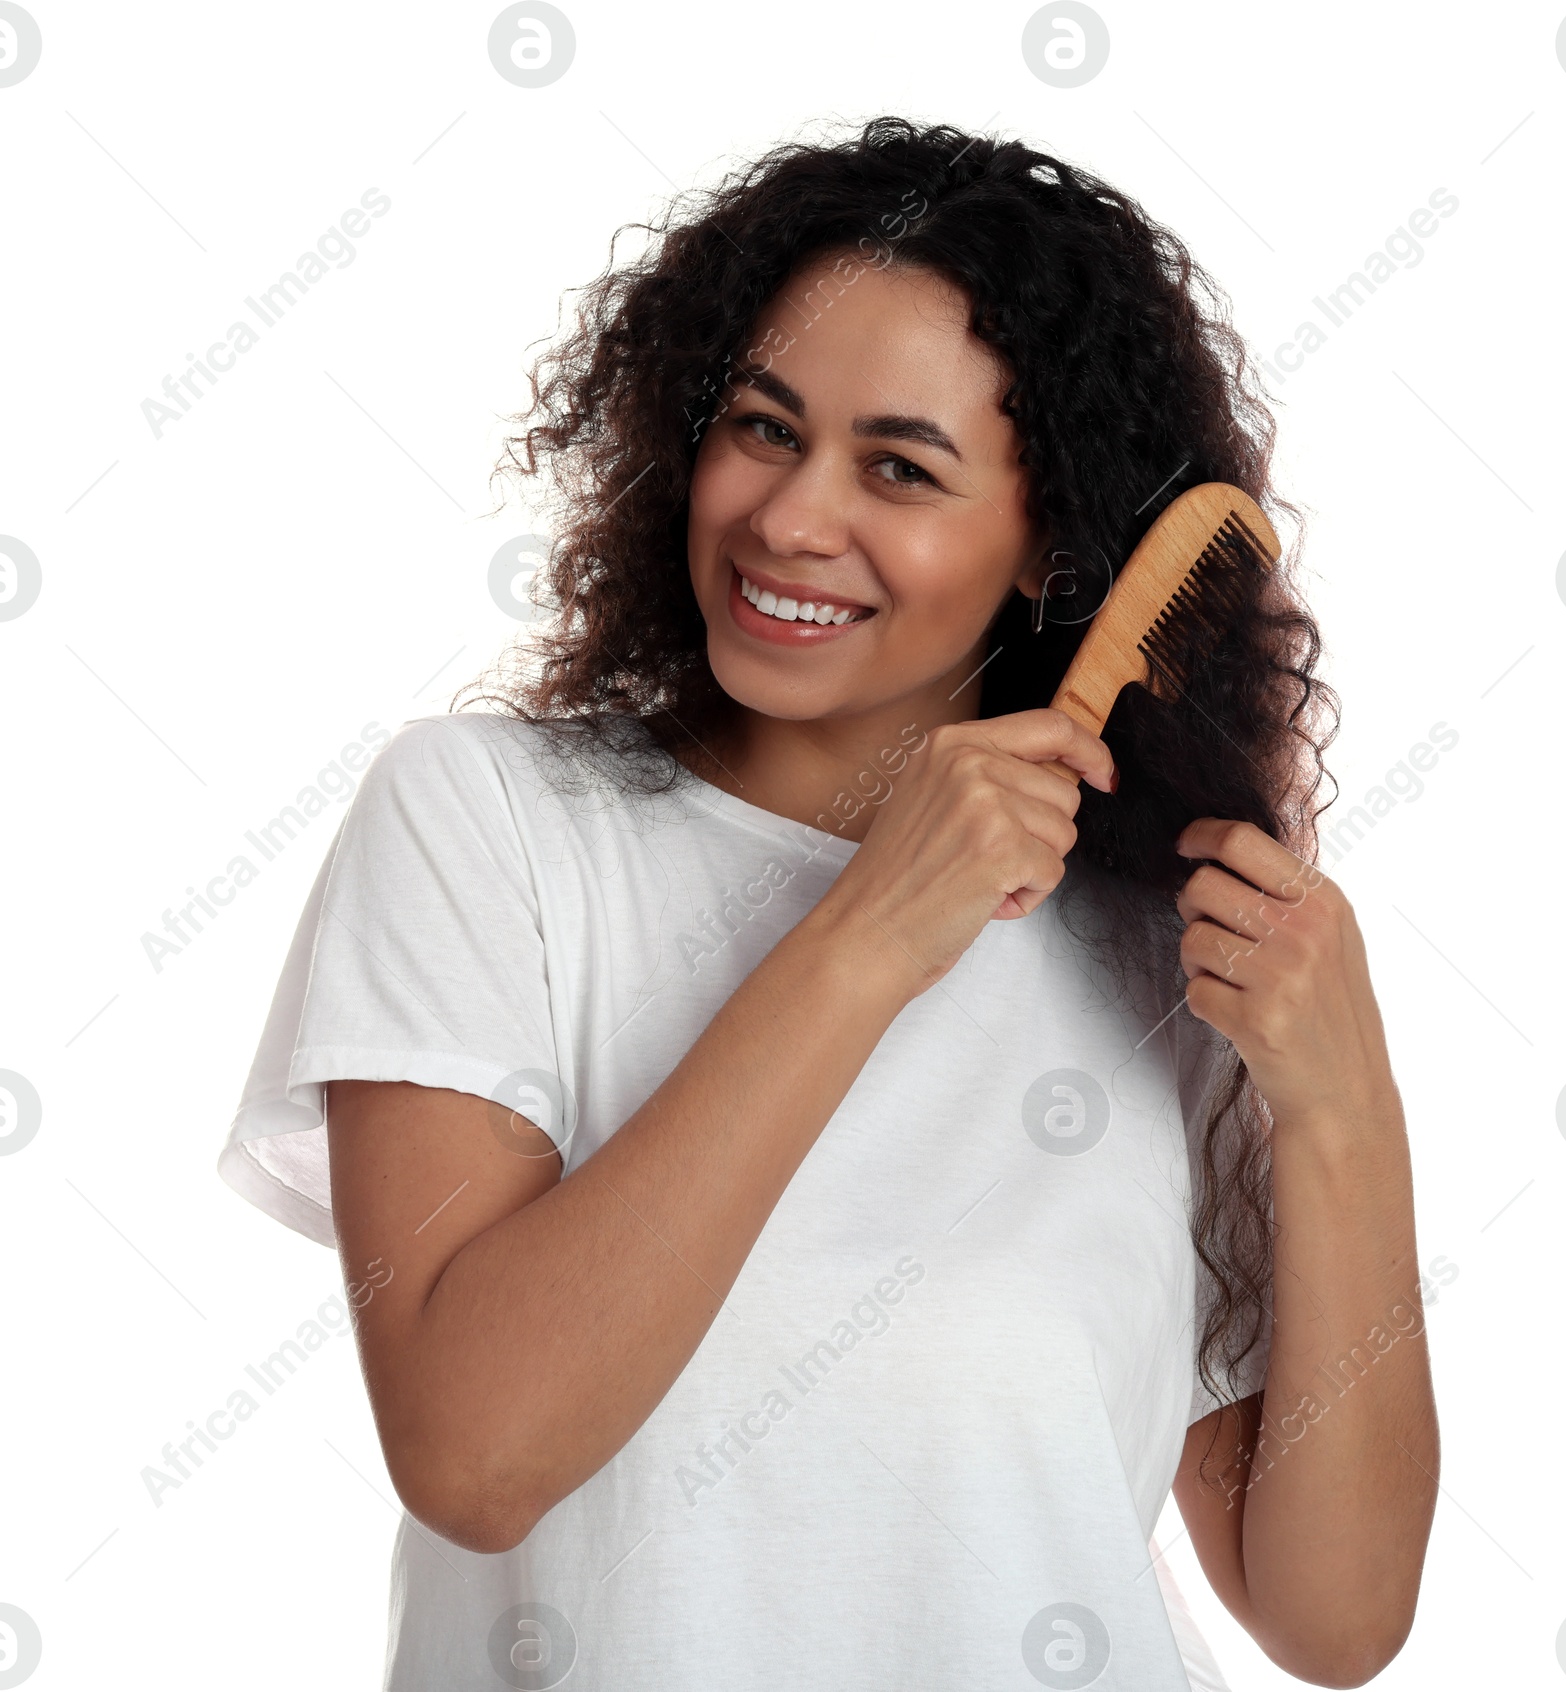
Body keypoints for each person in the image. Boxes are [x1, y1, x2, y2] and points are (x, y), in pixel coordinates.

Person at [218, 116, 1438, 1691]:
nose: (791, 519)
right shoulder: (487, 824)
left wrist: (1347, 1114)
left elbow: (1334, 1623)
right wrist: (872, 930)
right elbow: (477, 1453)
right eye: (762, 427)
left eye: (900, 468)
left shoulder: (1152, 961)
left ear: (1049, 544)